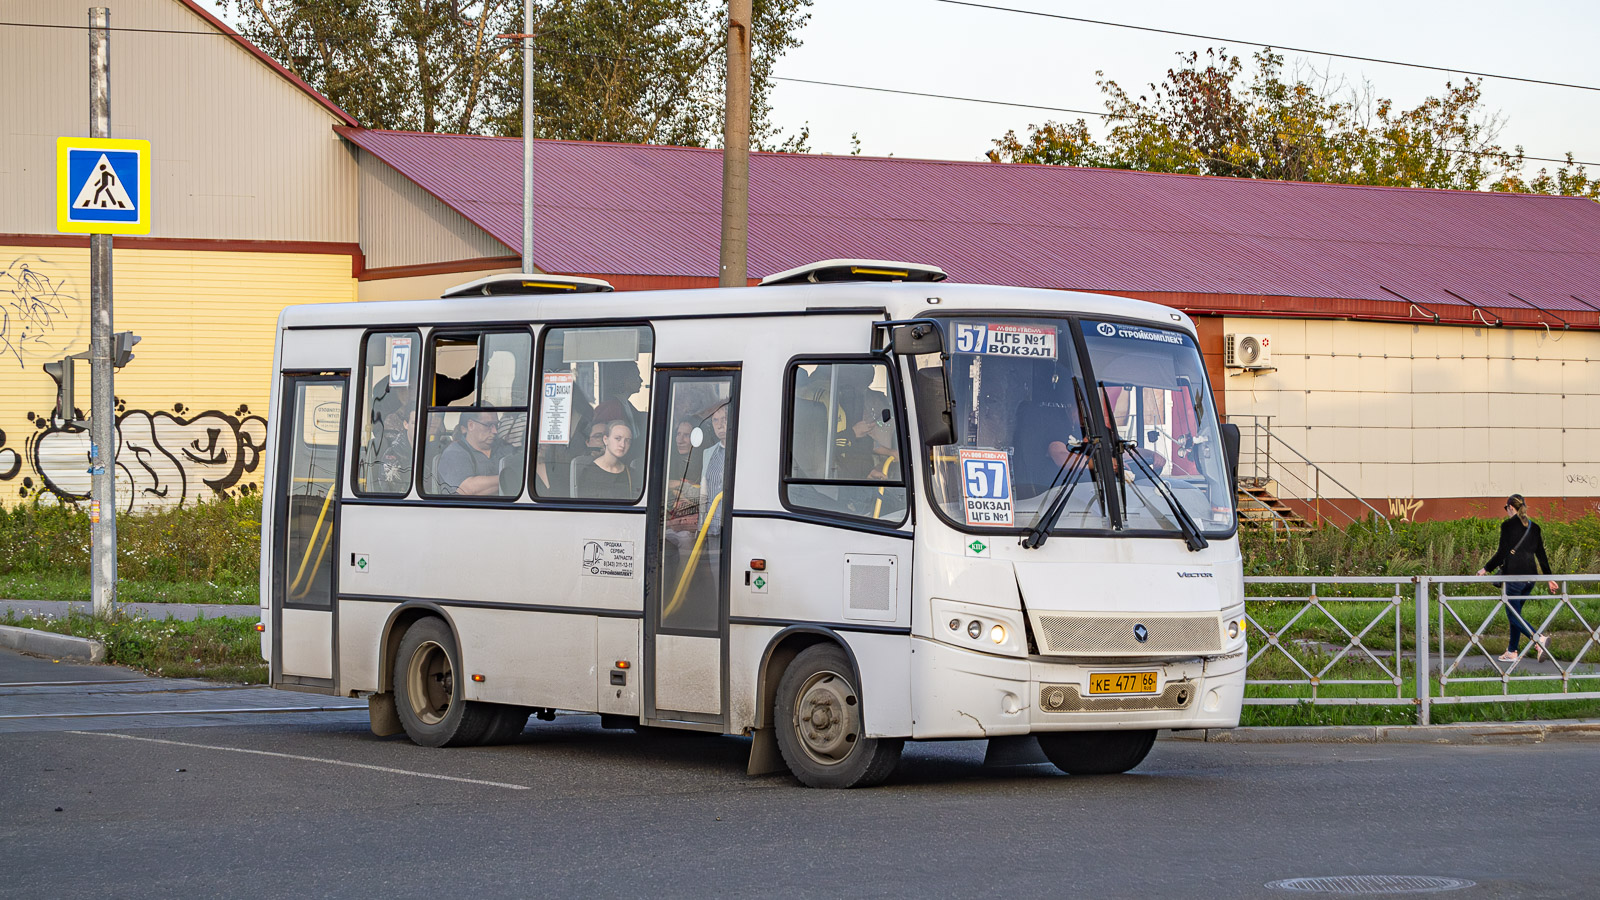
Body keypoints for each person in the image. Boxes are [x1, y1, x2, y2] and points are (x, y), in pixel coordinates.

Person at [1477, 494, 1559, 662]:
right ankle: (1512, 651)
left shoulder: (1508, 526)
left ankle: (1538, 639)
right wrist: (1549, 578)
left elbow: (1501, 553)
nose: (1506, 511)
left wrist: (1485, 568)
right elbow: (1541, 555)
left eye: (1507, 508)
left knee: (1513, 615)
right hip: (1530, 579)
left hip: (1513, 579)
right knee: (1516, 613)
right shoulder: (1534, 527)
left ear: (1511, 508)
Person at [436, 412, 504, 496]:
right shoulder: (454, 453)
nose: (495, 431)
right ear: (471, 425)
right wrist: (508, 478)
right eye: (488, 425)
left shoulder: (501, 448)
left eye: (496, 425)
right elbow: (467, 489)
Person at [576, 421, 636, 500]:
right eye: (617, 438)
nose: (622, 445)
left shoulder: (631, 474)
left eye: (627, 441)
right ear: (605, 439)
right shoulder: (588, 471)